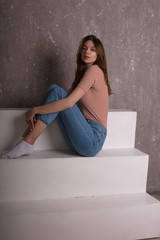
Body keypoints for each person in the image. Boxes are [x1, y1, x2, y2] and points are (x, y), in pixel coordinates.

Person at [2, 35, 112, 159]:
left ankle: (27, 142)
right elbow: (63, 103)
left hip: (93, 140)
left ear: (99, 54)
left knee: (57, 92)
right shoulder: (84, 75)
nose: (87, 51)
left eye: (92, 49)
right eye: (84, 48)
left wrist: (35, 110)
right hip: (81, 138)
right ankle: (25, 140)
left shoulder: (94, 70)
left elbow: (68, 103)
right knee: (53, 90)